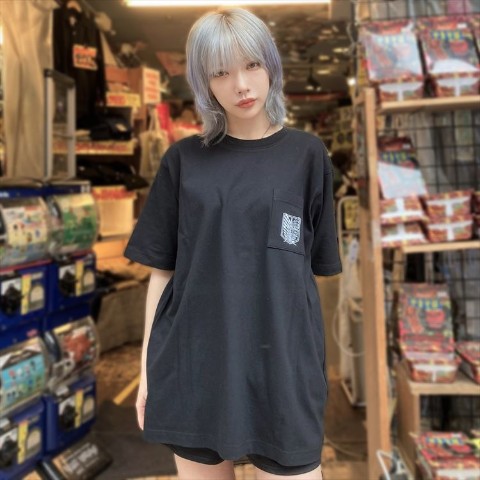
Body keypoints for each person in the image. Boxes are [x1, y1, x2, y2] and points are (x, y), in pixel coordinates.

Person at [124, 8, 342, 480]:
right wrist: (146, 370)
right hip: (195, 363)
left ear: (270, 65)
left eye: (252, 65)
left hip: (283, 367)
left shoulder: (307, 156)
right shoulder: (183, 161)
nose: (241, 85)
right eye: (220, 72)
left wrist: (310, 368)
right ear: (204, 82)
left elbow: (313, 271)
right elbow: (161, 272)